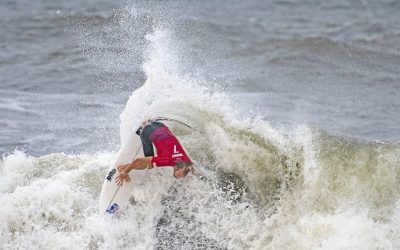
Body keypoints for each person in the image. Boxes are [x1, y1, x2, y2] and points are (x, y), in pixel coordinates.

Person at [115, 119, 194, 185]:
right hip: (146, 133)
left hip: (159, 125)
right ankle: (122, 168)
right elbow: (137, 161)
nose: (180, 177)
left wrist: (193, 174)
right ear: (176, 167)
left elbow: (191, 166)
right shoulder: (167, 160)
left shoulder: (186, 160)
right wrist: (125, 172)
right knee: (150, 165)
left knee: (159, 141)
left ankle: (147, 123)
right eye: (180, 175)